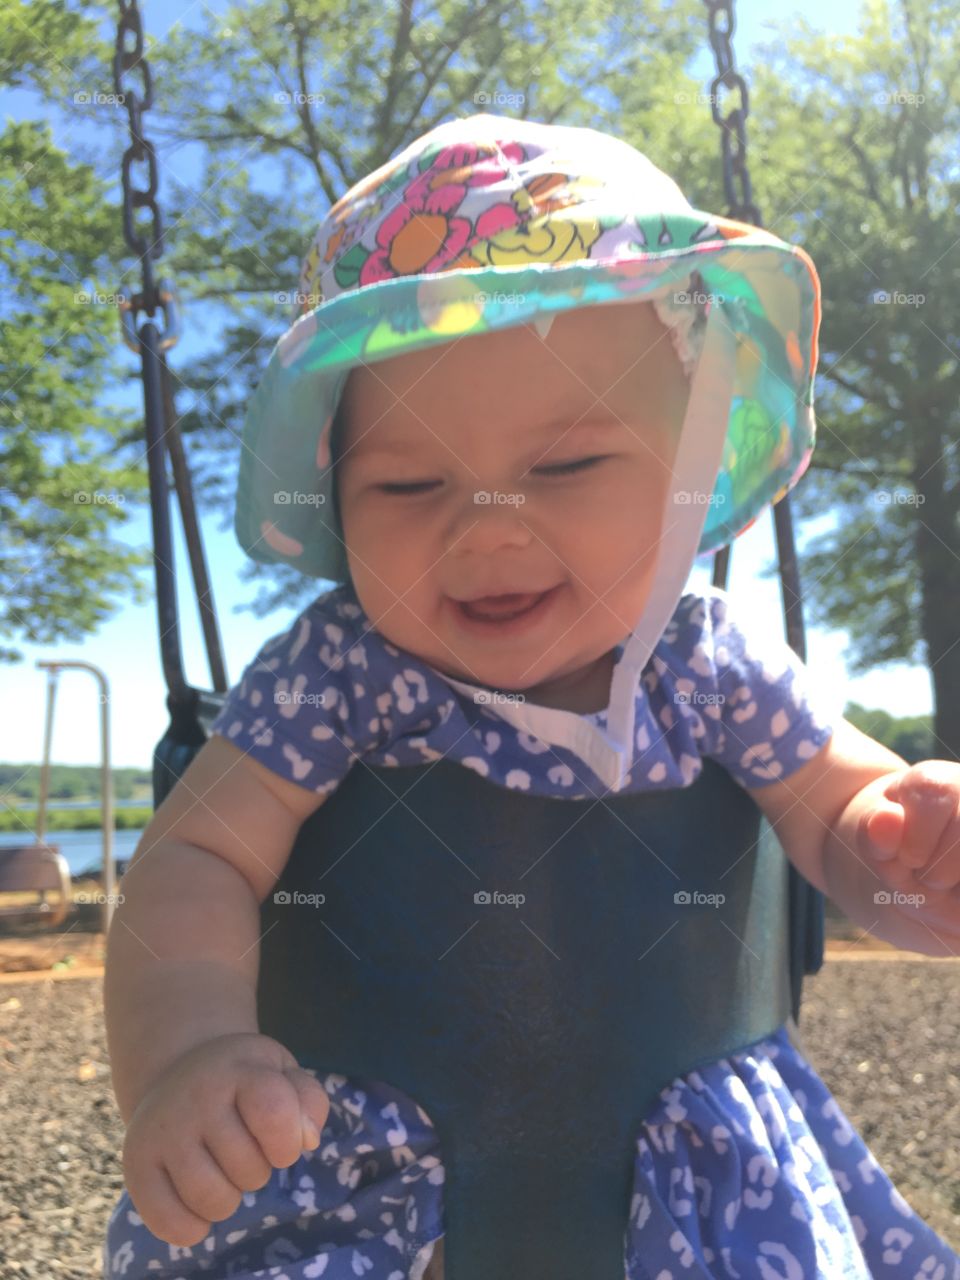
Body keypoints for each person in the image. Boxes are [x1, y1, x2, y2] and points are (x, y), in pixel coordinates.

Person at [102, 113, 960, 1280]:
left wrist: (906, 848)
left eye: (566, 464)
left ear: (687, 472)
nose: (486, 527)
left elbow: (840, 805)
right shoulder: (337, 668)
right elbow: (195, 859)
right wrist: (186, 1054)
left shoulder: (710, 661)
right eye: (408, 480)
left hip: (705, 1183)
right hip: (366, 1183)